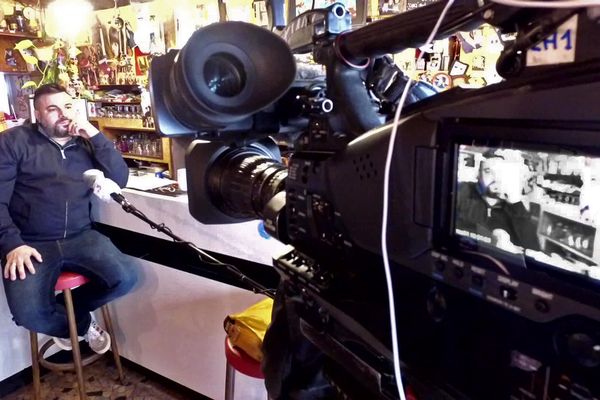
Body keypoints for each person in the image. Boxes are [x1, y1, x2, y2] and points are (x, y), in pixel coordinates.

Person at [0, 84, 137, 354]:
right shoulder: (13, 142)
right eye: (52, 109)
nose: (63, 114)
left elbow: (118, 179)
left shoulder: (86, 142)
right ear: (37, 114)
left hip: (81, 235)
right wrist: (12, 244)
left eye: (68, 107)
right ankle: (81, 324)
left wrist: (95, 135)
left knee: (126, 279)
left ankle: (68, 313)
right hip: (30, 243)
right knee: (29, 315)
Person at [455, 149, 541, 252]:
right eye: (488, 171)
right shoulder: (462, 190)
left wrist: (515, 202)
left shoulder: (513, 204)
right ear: (478, 174)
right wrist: (490, 238)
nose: (496, 178)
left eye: (500, 173)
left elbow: (533, 249)